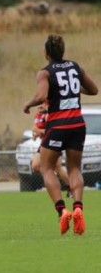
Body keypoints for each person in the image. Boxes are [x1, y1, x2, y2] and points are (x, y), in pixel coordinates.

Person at [23, 34, 98, 235]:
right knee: (74, 168)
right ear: (62, 51)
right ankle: (78, 208)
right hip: (77, 124)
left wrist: (28, 104)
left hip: (57, 125)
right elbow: (94, 90)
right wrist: (72, 91)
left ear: (46, 53)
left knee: (46, 167)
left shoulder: (45, 73)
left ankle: (62, 210)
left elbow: (41, 96)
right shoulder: (76, 67)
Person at [30, 102, 71, 197]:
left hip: (53, 143)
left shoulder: (49, 115)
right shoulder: (38, 115)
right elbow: (35, 128)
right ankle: (56, 182)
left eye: (43, 103)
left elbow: (52, 131)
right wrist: (36, 134)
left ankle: (69, 186)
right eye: (38, 104)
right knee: (36, 166)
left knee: (57, 167)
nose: (40, 105)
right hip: (44, 144)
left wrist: (38, 131)